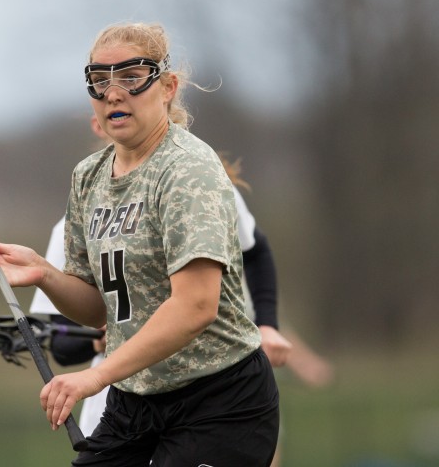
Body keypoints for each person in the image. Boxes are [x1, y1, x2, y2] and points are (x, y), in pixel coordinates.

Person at [0, 22, 279, 465]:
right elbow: (99, 309)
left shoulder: (187, 169)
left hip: (220, 400)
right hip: (135, 401)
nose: (113, 93)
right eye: (99, 81)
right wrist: (45, 273)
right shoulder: (88, 177)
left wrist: (94, 379)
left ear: (168, 86)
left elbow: (196, 306)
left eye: (131, 77)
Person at [30, 117, 293, 438]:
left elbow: (253, 251)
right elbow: (63, 343)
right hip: (120, 395)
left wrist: (267, 323)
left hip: (209, 387)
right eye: (102, 91)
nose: (119, 103)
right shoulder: (82, 204)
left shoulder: (199, 183)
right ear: (97, 124)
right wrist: (101, 335)